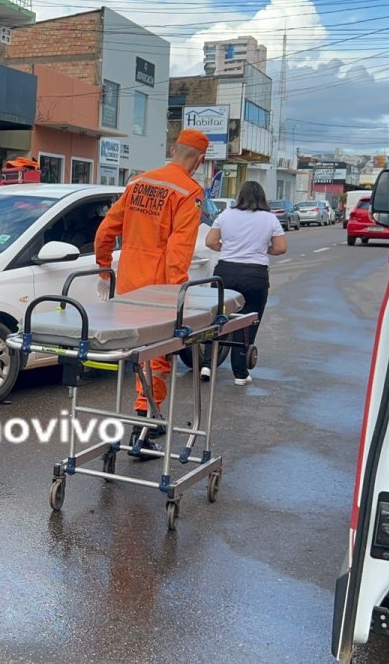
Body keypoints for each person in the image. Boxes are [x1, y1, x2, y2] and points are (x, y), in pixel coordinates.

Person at [93, 128, 210, 459]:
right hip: (158, 291)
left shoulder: (137, 183)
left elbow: (105, 231)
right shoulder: (188, 192)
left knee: (137, 354)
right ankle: (142, 428)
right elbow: (179, 250)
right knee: (157, 361)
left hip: (128, 285)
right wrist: (179, 296)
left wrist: (104, 269)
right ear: (199, 160)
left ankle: (145, 422)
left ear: (174, 148)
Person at [200, 179, 288, 385]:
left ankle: (206, 365)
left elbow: (211, 241)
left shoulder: (226, 215)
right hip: (254, 275)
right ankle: (240, 373)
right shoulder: (270, 219)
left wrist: (231, 249)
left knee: (217, 317)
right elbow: (281, 247)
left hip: (225, 272)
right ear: (262, 198)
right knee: (247, 321)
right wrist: (260, 249)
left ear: (239, 197)